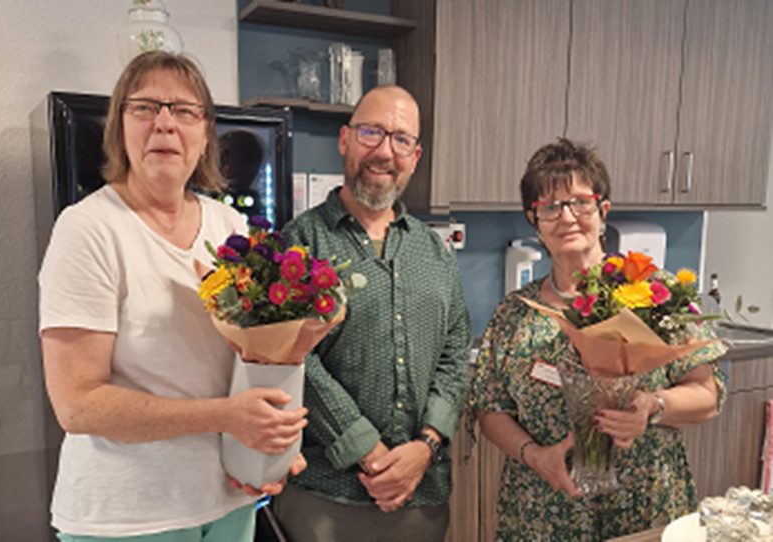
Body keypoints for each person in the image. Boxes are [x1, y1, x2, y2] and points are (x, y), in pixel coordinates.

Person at [38, 51, 307, 542]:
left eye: (184, 111)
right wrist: (228, 417)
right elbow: (78, 405)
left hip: (228, 497)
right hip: (128, 517)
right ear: (120, 126)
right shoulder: (89, 230)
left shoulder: (230, 228)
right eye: (144, 108)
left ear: (206, 133)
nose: (164, 124)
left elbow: (254, 357)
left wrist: (275, 449)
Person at [469, 138, 727, 541]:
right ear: (532, 220)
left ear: (603, 210)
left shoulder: (655, 294)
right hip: (542, 511)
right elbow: (489, 409)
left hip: (644, 504)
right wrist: (536, 457)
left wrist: (653, 407)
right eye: (550, 207)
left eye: (580, 202)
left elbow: (708, 393)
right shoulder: (514, 314)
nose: (567, 216)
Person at [271, 85, 472, 542]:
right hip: (327, 497)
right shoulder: (300, 244)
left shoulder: (433, 251)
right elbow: (290, 357)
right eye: (371, 133)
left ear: (415, 156)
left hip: (423, 496)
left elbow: (455, 354)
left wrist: (426, 445)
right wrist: (368, 449)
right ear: (344, 140)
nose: (384, 151)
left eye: (401, 139)